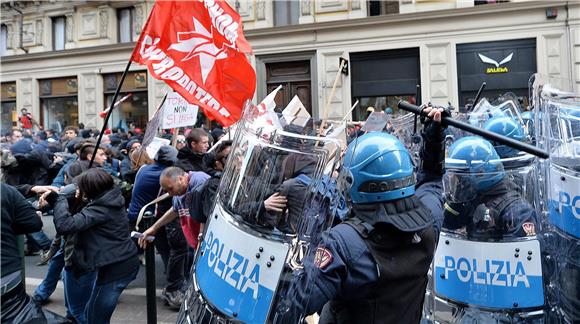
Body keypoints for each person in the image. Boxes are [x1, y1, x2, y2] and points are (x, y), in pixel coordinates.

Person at [279, 132, 437, 323]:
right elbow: (432, 183)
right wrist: (435, 138)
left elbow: (293, 306)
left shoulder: (342, 242)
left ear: (354, 182)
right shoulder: (429, 221)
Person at [43, 168, 139, 323]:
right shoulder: (110, 198)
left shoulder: (101, 208)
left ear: (90, 189)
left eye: (80, 187)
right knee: (90, 312)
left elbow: (65, 225)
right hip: (118, 263)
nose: (78, 190)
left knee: (94, 317)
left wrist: (59, 199)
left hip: (117, 268)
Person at [138, 167, 210, 309]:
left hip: (207, 245)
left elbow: (206, 210)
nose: (169, 193)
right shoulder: (179, 192)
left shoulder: (199, 180)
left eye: (170, 188)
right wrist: (154, 228)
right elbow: (175, 210)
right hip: (197, 244)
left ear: (181, 178)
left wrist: (202, 240)